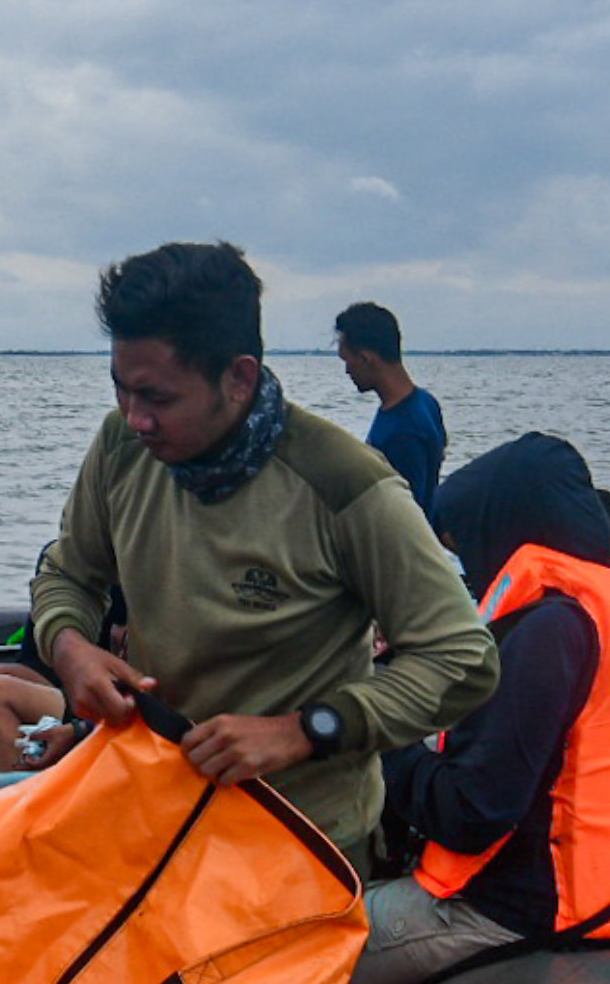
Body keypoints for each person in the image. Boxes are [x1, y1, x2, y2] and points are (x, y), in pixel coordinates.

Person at [33, 242, 499, 858]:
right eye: (122, 389)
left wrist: (305, 731)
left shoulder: (348, 485)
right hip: (153, 810)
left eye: (159, 398)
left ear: (239, 377)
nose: (134, 416)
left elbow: (464, 660)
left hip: (297, 840)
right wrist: (70, 649)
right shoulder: (122, 445)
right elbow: (67, 573)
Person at [340, 435, 610, 984]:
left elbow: (472, 814)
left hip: (508, 910)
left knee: (272, 962)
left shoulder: (546, 630)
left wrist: (380, 736)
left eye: (465, 548)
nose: (470, 571)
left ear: (498, 529)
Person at [334, 302, 448, 517]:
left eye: (347, 360)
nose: (347, 370)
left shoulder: (403, 431)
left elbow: (405, 515)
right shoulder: (426, 402)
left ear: (366, 359)